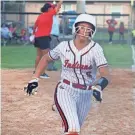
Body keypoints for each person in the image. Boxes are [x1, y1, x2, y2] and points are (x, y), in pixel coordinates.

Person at [25, 14, 110, 135]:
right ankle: (61, 105)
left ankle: (60, 109)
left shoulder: (96, 49)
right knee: (73, 129)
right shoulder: (64, 46)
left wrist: (99, 86)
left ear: (93, 32)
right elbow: (46, 59)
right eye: (81, 27)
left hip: (86, 95)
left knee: (72, 128)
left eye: (88, 29)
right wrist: (34, 78)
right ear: (75, 28)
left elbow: (105, 73)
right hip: (65, 89)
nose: (84, 31)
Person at [32, 0, 62, 78]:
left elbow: (35, 26)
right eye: (51, 8)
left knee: (39, 55)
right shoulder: (50, 14)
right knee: (46, 56)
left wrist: (33, 34)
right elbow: (58, 6)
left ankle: (36, 71)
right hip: (44, 37)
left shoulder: (41, 15)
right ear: (48, 9)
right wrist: (61, 1)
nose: (53, 8)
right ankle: (41, 73)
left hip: (37, 37)